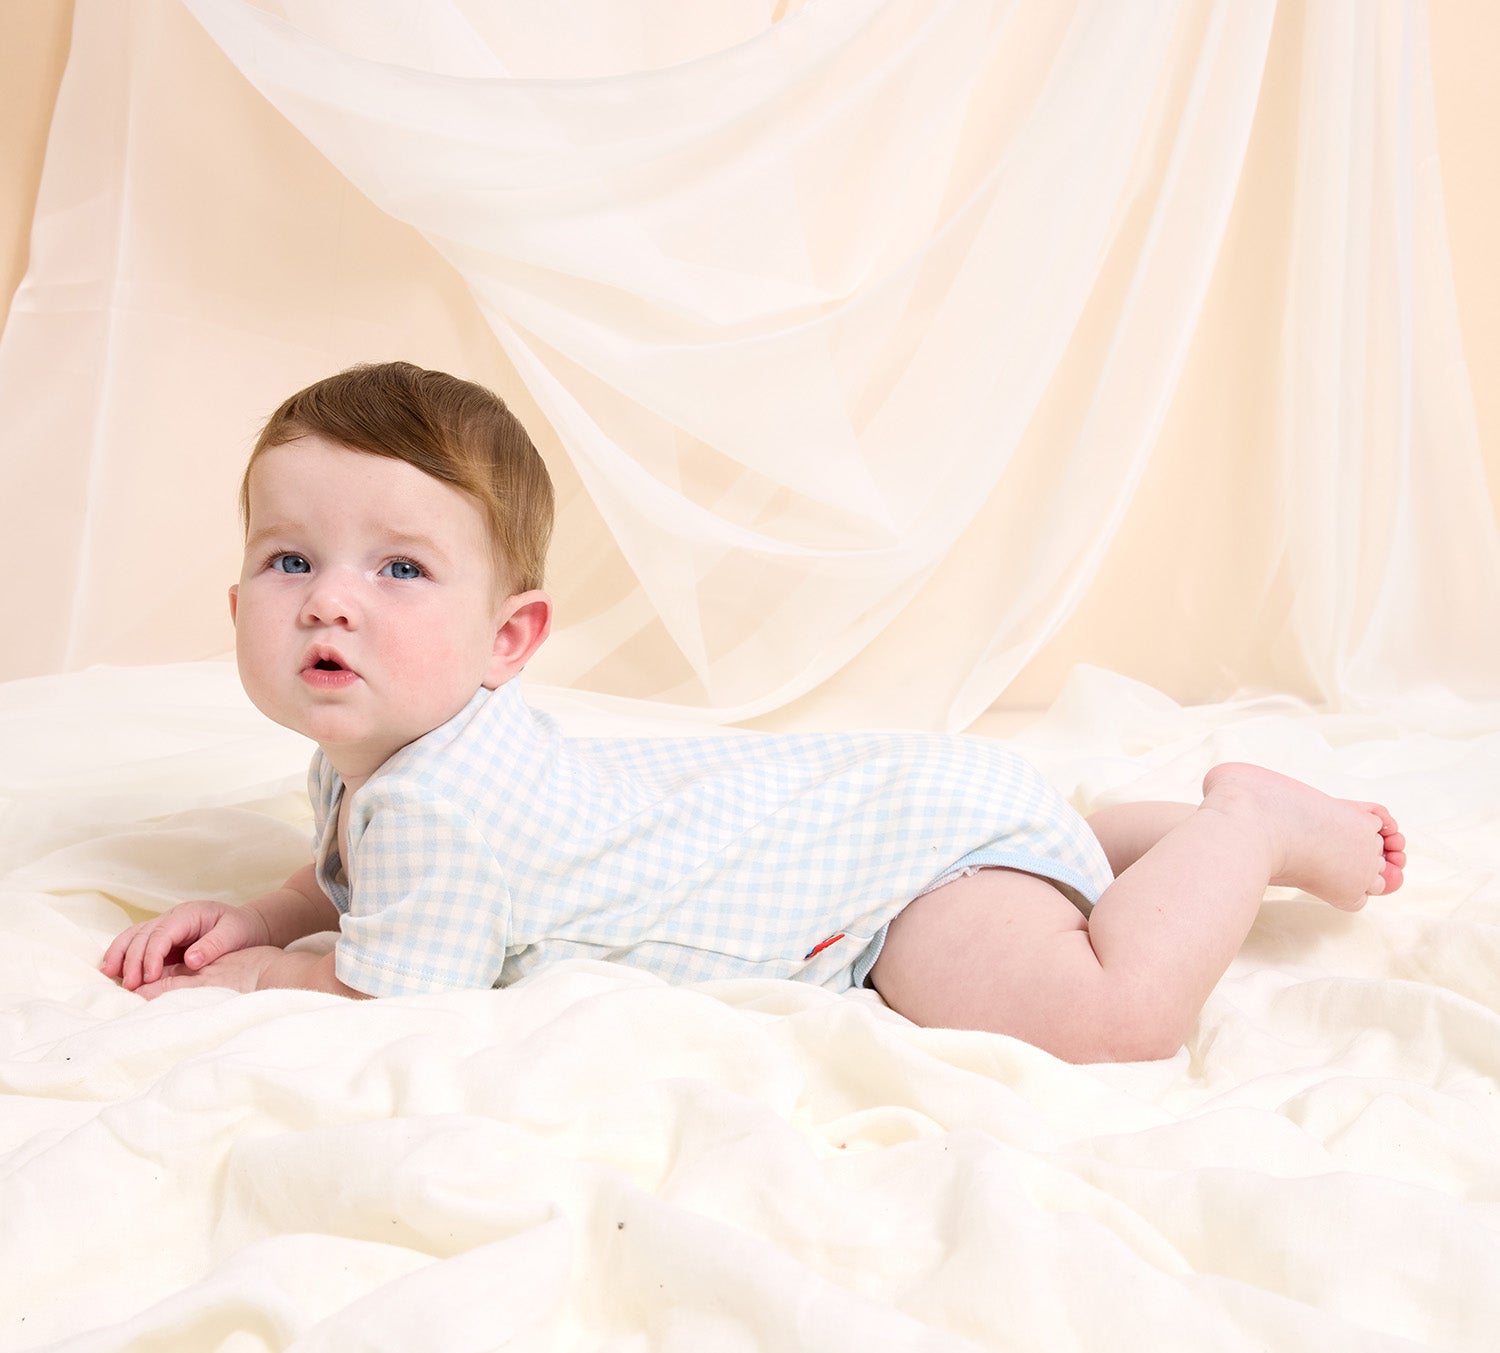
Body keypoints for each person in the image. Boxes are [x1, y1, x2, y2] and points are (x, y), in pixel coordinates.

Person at [103, 363, 1406, 1063]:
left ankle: (1244, 826)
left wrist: (264, 970)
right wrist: (276, 908)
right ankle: (1099, 837)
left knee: (1103, 1022)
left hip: (895, 890)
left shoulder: (434, 802)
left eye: (398, 568)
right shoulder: (384, 756)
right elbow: (355, 875)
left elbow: (389, 995)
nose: (331, 605)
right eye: (290, 563)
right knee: (1023, 829)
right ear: (235, 607)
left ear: (511, 641)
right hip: (896, 801)